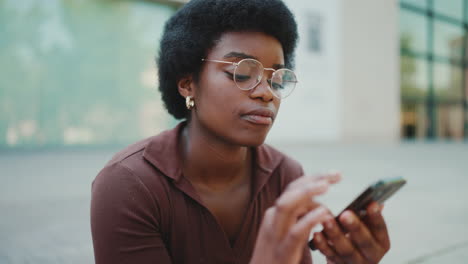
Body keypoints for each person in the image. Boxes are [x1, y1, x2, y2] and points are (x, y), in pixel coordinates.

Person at [90, 0, 391, 263]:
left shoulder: (285, 176)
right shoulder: (129, 185)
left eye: (276, 78)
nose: (266, 93)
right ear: (187, 83)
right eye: (242, 73)